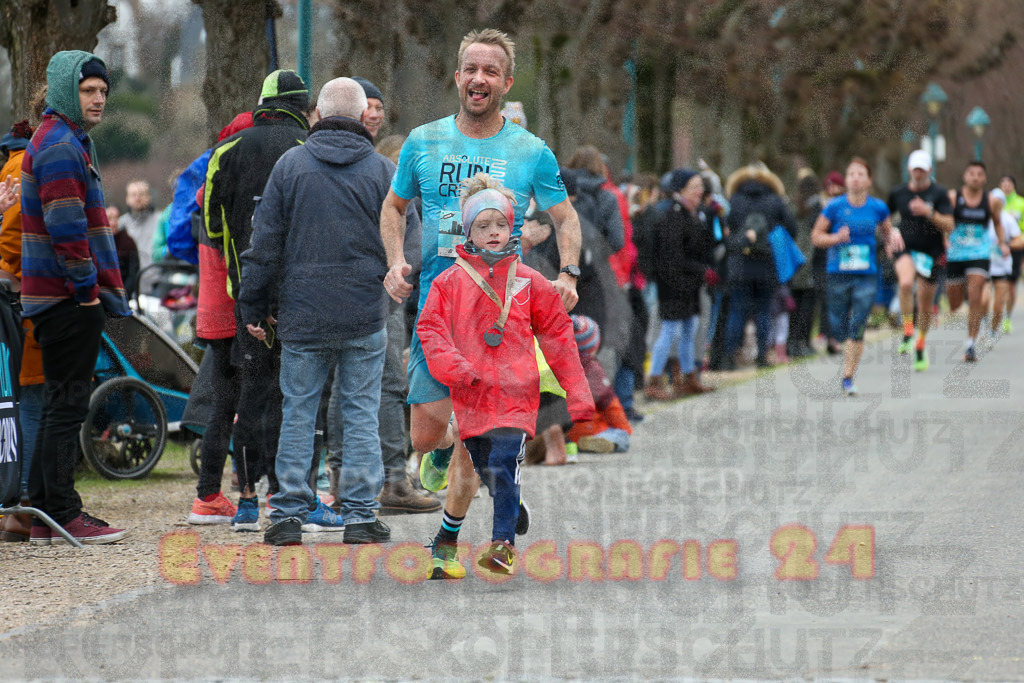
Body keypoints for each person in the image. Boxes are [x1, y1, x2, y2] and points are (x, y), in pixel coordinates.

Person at [379, 28, 582, 576]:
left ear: (506, 82)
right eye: (471, 68)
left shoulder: (530, 150)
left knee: (475, 434)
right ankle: (472, 462)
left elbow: (564, 216)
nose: (479, 79)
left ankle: (447, 543)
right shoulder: (423, 142)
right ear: (457, 77)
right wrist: (396, 261)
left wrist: (568, 272)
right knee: (426, 438)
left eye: (491, 71)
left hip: (499, 318)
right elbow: (394, 208)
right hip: (437, 311)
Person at [237, 77, 394, 547]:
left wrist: (254, 301)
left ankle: (287, 513)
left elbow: (264, 242)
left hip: (303, 313)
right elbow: (406, 240)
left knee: (299, 411)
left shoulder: (291, 167)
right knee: (362, 411)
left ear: (317, 116)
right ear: (364, 114)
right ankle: (362, 515)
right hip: (366, 311)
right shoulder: (383, 171)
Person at [417, 173, 592, 576]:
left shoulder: (531, 283)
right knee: (485, 466)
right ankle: (450, 541)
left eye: (500, 224)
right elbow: (430, 330)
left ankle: (502, 546)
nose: (493, 233)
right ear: (468, 230)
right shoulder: (449, 283)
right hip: (471, 394)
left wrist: (578, 395)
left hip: (517, 394)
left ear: (512, 225)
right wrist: (456, 369)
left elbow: (559, 340)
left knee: (504, 459)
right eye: (483, 225)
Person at [188, 70, 311, 531]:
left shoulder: (226, 151)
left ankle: (244, 499)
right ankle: (286, 494)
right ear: (301, 105)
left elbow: (213, 227)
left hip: (247, 295)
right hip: (300, 294)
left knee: (249, 396)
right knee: (295, 397)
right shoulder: (306, 147)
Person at [20, 50, 131, 544]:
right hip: (68, 300)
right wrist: (88, 294)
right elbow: (68, 231)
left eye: (104, 91)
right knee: (68, 406)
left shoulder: (58, 139)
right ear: (68, 90)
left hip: (53, 299)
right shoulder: (62, 145)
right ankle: (64, 512)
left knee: (54, 405)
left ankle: (43, 513)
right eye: (89, 90)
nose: (99, 99)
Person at [323, 78, 438, 515]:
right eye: (365, 106)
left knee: (371, 384)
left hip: (384, 288)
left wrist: (402, 271)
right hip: (364, 292)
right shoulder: (362, 166)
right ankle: (380, 479)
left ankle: (368, 477)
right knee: (380, 382)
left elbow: (411, 231)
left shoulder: (380, 166)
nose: (373, 113)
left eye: (378, 106)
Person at [811, 158, 896, 395]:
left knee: (857, 324)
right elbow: (816, 236)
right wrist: (835, 238)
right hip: (837, 273)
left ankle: (848, 376)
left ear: (869, 180)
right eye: (851, 174)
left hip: (866, 274)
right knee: (838, 325)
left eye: (860, 174)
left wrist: (891, 244)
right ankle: (843, 351)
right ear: (846, 180)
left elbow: (888, 233)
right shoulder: (834, 207)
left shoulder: (878, 208)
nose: (855, 178)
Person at [644, 168, 716, 398]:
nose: (699, 191)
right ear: (680, 190)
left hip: (690, 283)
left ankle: (687, 377)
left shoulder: (695, 214)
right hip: (672, 283)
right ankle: (654, 380)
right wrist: (702, 270)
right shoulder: (673, 216)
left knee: (689, 329)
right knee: (670, 331)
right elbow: (672, 257)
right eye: (694, 187)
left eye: (700, 187)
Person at [722, 163, 798, 369]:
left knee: (737, 311)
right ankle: (762, 356)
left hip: (740, 264)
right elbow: (792, 228)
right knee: (763, 311)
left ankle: (730, 357)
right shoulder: (775, 201)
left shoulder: (734, 201)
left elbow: (725, 229)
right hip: (766, 263)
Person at [888, 150, 955, 371]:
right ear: (909, 169)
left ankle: (920, 342)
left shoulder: (939, 193)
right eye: (915, 169)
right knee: (906, 283)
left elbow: (949, 225)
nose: (918, 173)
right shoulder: (898, 193)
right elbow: (884, 219)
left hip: (931, 252)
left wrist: (929, 212)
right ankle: (908, 330)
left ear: (929, 171)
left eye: (922, 170)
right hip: (906, 248)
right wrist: (890, 237)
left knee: (926, 303)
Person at [944, 161, 1007, 362]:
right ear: (965, 176)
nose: (976, 177)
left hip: (979, 253)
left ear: (985, 178)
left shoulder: (991, 201)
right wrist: (944, 240)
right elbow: (944, 222)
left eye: (980, 174)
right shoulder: (954, 198)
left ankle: (971, 344)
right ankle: (960, 298)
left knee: (975, 295)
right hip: (955, 253)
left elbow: (997, 223)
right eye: (972, 173)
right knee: (954, 303)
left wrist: (1002, 242)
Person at [987, 187, 1023, 339]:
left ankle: (992, 331)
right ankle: (982, 325)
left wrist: (1006, 245)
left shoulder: (1008, 219)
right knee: (981, 300)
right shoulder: (982, 218)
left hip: (1002, 267)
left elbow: (1019, 241)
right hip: (983, 265)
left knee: (998, 304)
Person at [119, 180, 161, 293]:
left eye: (142, 194)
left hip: (157, 283)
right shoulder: (121, 225)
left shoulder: (160, 220)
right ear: (127, 199)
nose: (138, 198)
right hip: (130, 286)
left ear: (149, 197)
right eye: (133, 195)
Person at [998, 175, 1024, 332]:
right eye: (1003, 183)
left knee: (1011, 284)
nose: (1006, 186)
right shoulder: (995, 203)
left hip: (1015, 246)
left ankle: (1007, 316)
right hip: (997, 248)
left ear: (1014, 186)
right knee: (997, 282)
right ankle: (995, 313)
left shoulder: (1021, 203)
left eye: (1009, 183)